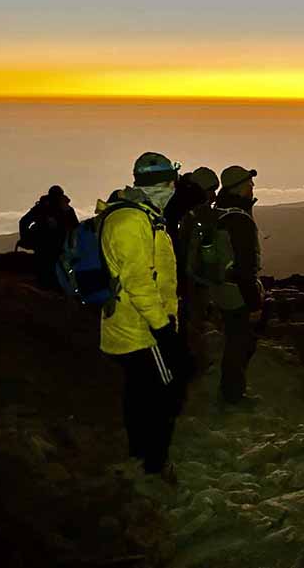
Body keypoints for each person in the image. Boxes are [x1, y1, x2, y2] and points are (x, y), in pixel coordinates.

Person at [100, 152, 189, 483]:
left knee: (138, 392)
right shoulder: (132, 222)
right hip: (141, 329)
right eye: (172, 182)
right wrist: (164, 329)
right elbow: (140, 284)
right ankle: (155, 463)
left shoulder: (139, 215)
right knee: (164, 395)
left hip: (130, 324)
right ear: (164, 183)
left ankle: (139, 451)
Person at [212, 165, 265, 405]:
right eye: (248, 184)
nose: (252, 187)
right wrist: (254, 302)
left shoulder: (219, 212)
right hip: (237, 293)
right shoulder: (239, 220)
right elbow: (245, 266)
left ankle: (231, 389)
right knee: (240, 342)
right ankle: (233, 394)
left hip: (221, 288)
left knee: (235, 339)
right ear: (239, 188)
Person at [177, 167, 220, 374]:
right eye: (212, 190)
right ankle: (193, 365)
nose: (214, 195)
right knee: (193, 321)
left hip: (184, 277)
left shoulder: (180, 209)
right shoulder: (196, 214)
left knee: (190, 321)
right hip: (191, 279)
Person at [18, 185, 79, 287]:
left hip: (44, 247)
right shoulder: (66, 209)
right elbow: (76, 229)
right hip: (59, 249)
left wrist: (26, 239)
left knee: (45, 277)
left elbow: (23, 222)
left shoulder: (41, 207)